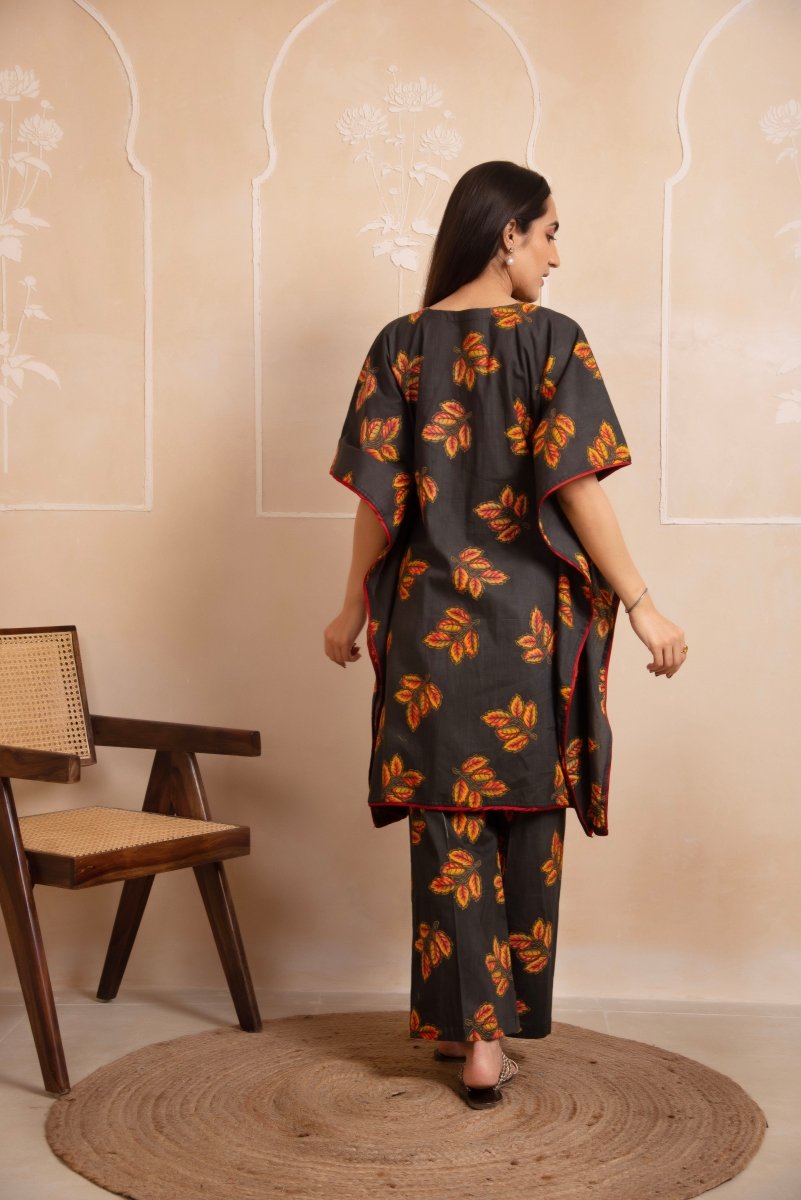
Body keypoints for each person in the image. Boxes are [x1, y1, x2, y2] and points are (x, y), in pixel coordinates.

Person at [324, 161, 686, 1110]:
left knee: (448, 820)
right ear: (506, 235)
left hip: (429, 631)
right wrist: (640, 602)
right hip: (527, 629)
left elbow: (376, 499)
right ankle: (492, 1040)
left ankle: (464, 1030)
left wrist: (352, 606)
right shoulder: (553, 342)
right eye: (549, 233)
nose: (555, 257)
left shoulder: (400, 344)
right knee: (522, 818)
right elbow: (577, 487)